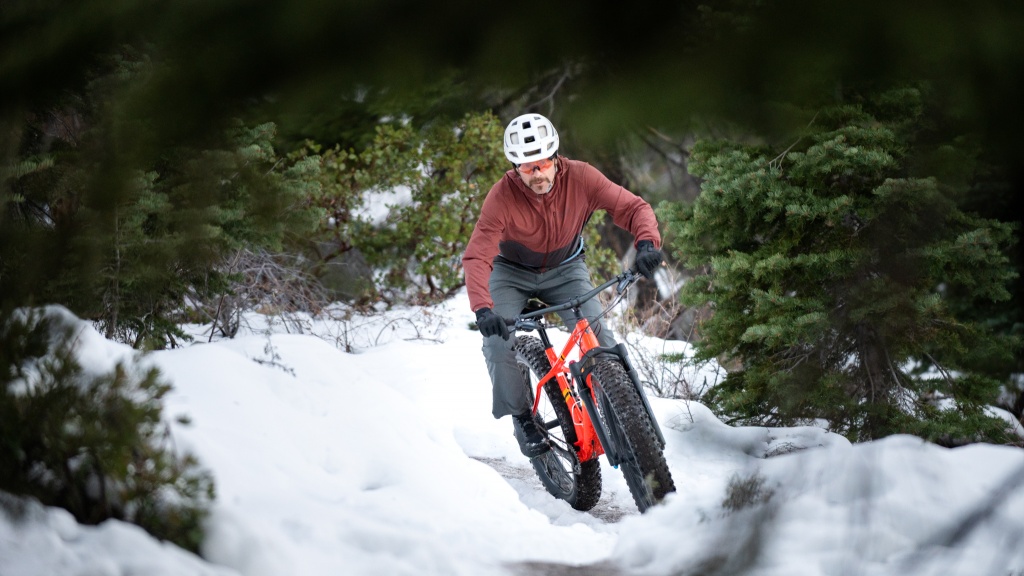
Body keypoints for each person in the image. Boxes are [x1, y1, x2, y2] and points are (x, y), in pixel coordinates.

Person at [462, 112, 663, 458]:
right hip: (511, 272)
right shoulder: (502, 196)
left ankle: (625, 409)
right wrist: (483, 308)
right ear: (515, 168)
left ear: (555, 157)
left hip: (566, 268)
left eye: (542, 163)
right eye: (527, 168)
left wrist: (646, 243)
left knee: (598, 338)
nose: (537, 173)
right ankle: (523, 417)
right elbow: (478, 255)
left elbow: (632, 207)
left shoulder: (582, 177)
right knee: (498, 344)